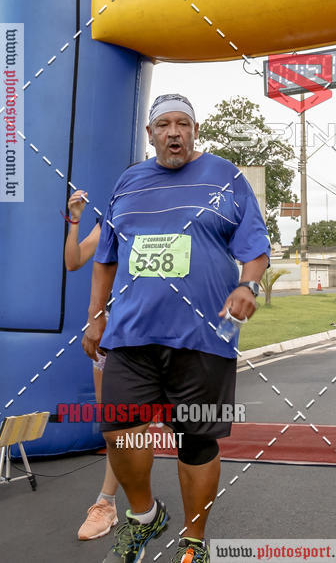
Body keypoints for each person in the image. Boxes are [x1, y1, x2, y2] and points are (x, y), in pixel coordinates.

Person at [82, 94, 270, 563]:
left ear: (195, 130)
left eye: (182, 124)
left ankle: (193, 541)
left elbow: (256, 247)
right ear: (150, 135)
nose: (174, 132)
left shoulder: (226, 178)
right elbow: (105, 258)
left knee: (196, 441)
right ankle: (145, 516)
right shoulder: (128, 182)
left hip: (204, 335)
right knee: (119, 428)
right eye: (163, 124)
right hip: (130, 333)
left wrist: (248, 285)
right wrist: (95, 317)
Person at [65, 190, 120, 541]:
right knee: (114, 421)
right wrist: (75, 219)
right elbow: (73, 262)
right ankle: (107, 502)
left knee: (187, 424)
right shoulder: (111, 223)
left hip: (164, 331)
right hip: (113, 334)